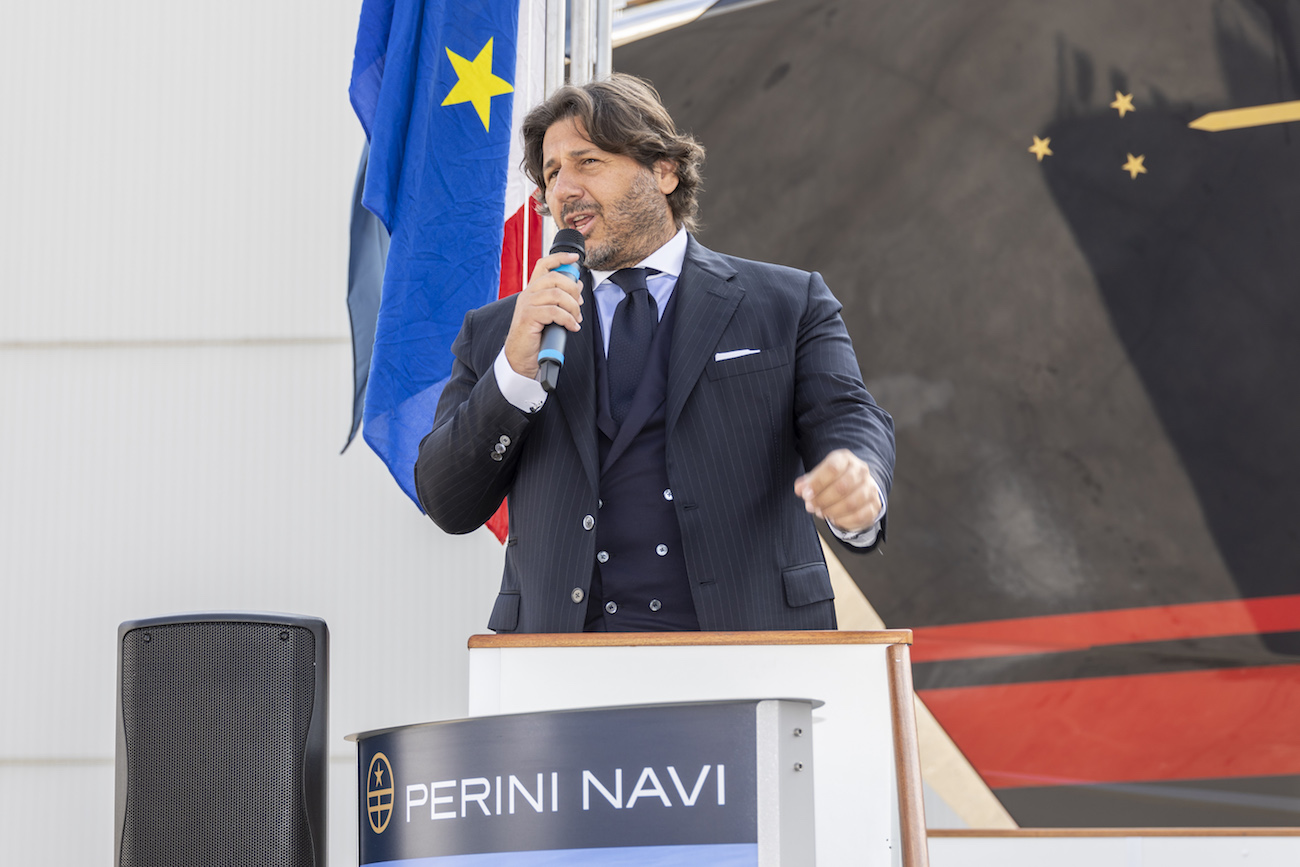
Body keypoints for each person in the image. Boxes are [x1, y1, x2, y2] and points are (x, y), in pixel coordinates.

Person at [415, 74, 894, 633]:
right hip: (562, 662)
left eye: (588, 162)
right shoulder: (499, 332)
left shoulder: (787, 302)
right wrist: (513, 376)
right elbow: (448, 504)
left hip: (750, 651)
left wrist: (857, 483)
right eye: (551, 173)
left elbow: (847, 415)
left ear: (664, 171)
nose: (563, 189)